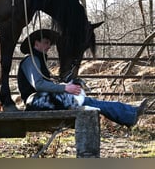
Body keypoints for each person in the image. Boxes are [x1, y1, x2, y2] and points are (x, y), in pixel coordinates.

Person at [17, 29, 148, 127]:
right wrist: (65, 88)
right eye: (46, 43)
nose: (49, 46)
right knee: (86, 101)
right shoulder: (31, 60)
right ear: (36, 44)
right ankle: (130, 114)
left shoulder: (37, 60)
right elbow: (39, 85)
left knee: (87, 101)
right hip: (36, 101)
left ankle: (130, 113)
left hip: (43, 100)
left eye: (49, 43)